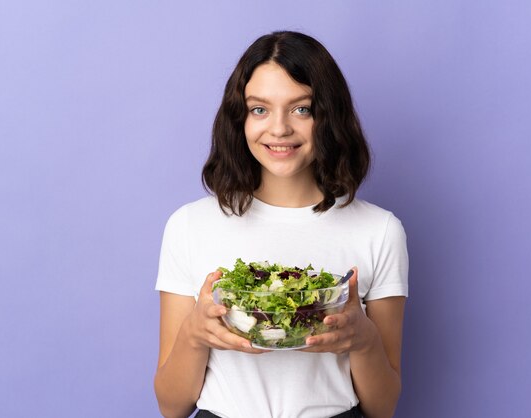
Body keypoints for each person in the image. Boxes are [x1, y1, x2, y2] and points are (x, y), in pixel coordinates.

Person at [154, 31, 408, 418]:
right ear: (240, 118)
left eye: (301, 109)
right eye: (259, 109)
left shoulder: (379, 230)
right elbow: (171, 407)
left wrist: (364, 341)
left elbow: (383, 407)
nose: (279, 129)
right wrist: (194, 333)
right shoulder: (189, 225)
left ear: (329, 116)